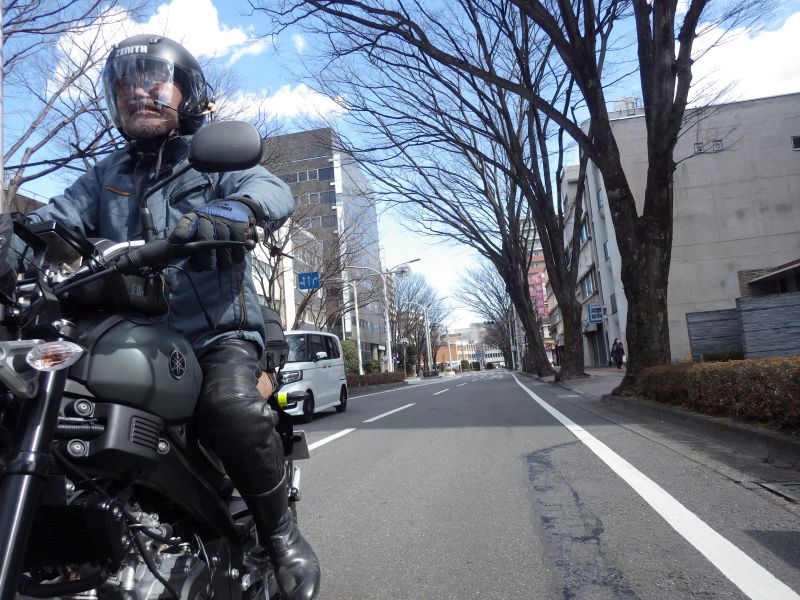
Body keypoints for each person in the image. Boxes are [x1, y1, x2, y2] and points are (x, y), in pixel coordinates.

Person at [19, 35, 319, 600]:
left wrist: (236, 209)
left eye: (155, 81)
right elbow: (47, 225)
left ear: (190, 94)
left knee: (231, 407)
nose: (139, 92)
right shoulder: (106, 175)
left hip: (214, 336)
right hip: (121, 335)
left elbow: (269, 187)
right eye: (126, 83)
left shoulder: (208, 161)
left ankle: (280, 536)